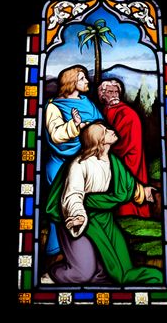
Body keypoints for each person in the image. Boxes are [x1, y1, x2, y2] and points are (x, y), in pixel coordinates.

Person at [45, 122, 162, 285]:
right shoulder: (79, 165)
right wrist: (77, 215)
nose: (111, 131)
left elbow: (127, 184)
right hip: (79, 219)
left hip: (105, 220)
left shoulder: (113, 161)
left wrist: (143, 192)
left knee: (114, 269)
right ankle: (51, 275)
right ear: (99, 141)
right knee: (82, 274)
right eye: (106, 131)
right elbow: (73, 195)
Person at [44, 65, 103, 256]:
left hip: (87, 162)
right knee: (60, 208)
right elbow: (56, 135)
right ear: (71, 82)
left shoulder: (88, 102)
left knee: (86, 205)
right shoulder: (54, 106)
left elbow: (99, 127)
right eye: (82, 78)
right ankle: (57, 249)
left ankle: (86, 251)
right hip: (61, 164)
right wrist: (75, 126)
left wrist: (91, 129)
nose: (87, 81)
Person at [98, 79, 150, 217]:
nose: (115, 94)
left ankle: (129, 216)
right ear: (103, 95)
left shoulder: (126, 113)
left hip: (128, 157)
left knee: (125, 188)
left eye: (116, 91)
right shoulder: (107, 109)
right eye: (110, 91)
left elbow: (120, 142)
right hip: (119, 157)